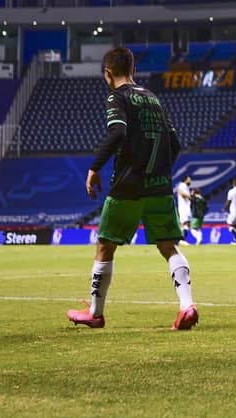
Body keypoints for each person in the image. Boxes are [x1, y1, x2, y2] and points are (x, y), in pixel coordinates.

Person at [67, 46, 198, 331]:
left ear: (108, 73)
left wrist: (94, 167)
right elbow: (174, 144)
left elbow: (118, 132)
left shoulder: (117, 96)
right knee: (169, 246)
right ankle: (187, 305)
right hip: (159, 186)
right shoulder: (153, 98)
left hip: (128, 185)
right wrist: (159, 172)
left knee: (105, 246)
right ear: (134, 71)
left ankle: (95, 313)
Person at [176, 175, 193, 241]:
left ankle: (182, 239)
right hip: (183, 208)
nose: (190, 181)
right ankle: (181, 239)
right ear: (185, 180)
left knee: (188, 223)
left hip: (186, 207)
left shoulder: (186, 187)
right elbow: (180, 192)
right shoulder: (182, 185)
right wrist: (190, 197)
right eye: (189, 179)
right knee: (184, 223)